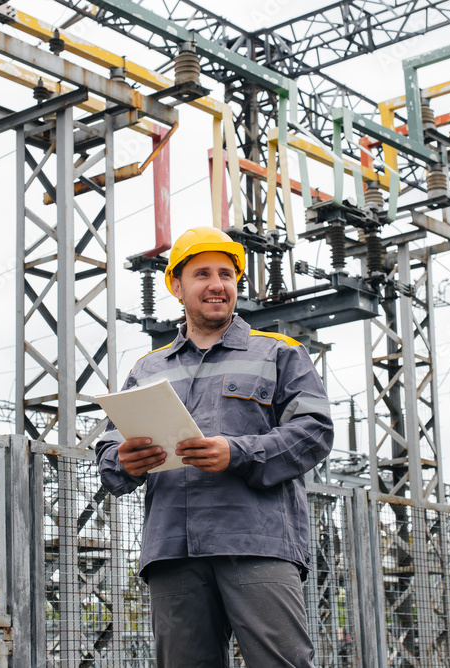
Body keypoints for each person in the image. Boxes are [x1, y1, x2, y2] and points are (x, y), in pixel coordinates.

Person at [95, 226, 334, 667]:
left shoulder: (280, 353)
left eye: (226, 274)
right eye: (202, 274)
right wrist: (124, 462)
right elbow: (109, 455)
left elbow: (315, 431)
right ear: (176, 286)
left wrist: (238, 453)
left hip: (257, 543)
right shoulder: (148, 369)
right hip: (173, 550)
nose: (217, 285)